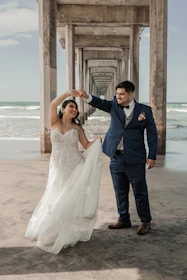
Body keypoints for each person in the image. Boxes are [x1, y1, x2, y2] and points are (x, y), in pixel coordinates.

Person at [25, 90, 102, 254]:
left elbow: (86, 146)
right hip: (57, 166)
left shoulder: (77, 127)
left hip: (75, 166)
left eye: (75, 108)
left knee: (69, 197)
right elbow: (52, 104)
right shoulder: (55, 122)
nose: (74, 109)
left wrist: (97, 142)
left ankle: (65, 230)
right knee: (55, 195)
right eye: (71, 106)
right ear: (64, 109)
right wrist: (68, 94)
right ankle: (53, 228)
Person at [77, 81, 158, 235]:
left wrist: (152, 156)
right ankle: (124, 219)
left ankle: (145, 221)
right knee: (120, 190)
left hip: (135, 157)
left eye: (121, 94)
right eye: (117, 94)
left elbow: (152, 134)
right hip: (116, 156)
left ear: (130, 94)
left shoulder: (144, 110)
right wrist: (86, 96)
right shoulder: (113, 105)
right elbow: (99, 102)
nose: (118, 96)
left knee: (140, 191)